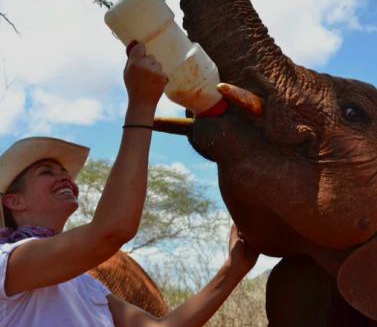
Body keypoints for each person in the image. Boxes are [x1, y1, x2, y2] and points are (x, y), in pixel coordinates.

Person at [0, 42, 259, 326]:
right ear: (14, 200)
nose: (65, 177)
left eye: (65, 172)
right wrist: (141, 104)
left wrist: (234, 269)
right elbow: (111, 231)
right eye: (46, 172)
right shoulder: (7, 263)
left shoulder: (87, 287)